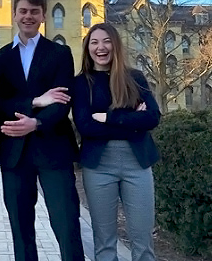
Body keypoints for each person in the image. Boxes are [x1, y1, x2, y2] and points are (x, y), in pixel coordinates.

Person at [0, 0, 84, 261]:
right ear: (14, 14)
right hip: (14, 154)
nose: (28, 16)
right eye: (23, 11)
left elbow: (62, 100)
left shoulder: (59, 53)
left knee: (66, 224)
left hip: (53, 149)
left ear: (43, 15)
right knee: (21, 231)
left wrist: (35, 123)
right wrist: (34, 100)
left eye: (34, 11)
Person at [73, 23, 160, 261]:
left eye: (106, 41)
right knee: (105, 241)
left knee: (143, 241)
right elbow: (85, 126)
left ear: (115, 44)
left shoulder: (135, 78)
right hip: (99, 167)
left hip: (138, 165)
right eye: (94, 42)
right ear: (87, 48)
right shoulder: (81, 83)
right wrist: (133, 121)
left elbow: (152, 117)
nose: (100, 47)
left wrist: (109, 117)